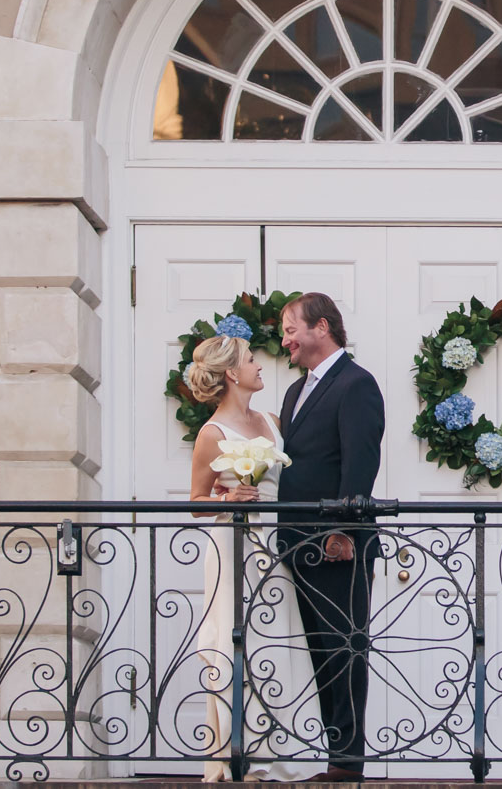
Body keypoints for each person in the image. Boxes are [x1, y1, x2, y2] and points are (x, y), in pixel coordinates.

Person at [185, 334, 316, 783]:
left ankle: (280, 750)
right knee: (237, 638)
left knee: (277, 638)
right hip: (234, 546)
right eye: (250, 359)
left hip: (276, 544)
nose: (259, 365)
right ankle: (242, 749)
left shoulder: (272, 419)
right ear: (230, 374)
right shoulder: (212, 433)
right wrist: (229, 498)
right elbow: (196, 501)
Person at [275, 292, 384, 783]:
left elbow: (360, 463)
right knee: (322, 654)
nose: (285, 340)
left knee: (345, 650)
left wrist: (342, 530)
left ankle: (348, 763)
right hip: (298, 544)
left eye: (291, 328)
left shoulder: (356, 384)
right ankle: (336, 753)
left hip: (338, 547)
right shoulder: (295, 392)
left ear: (322, 327)